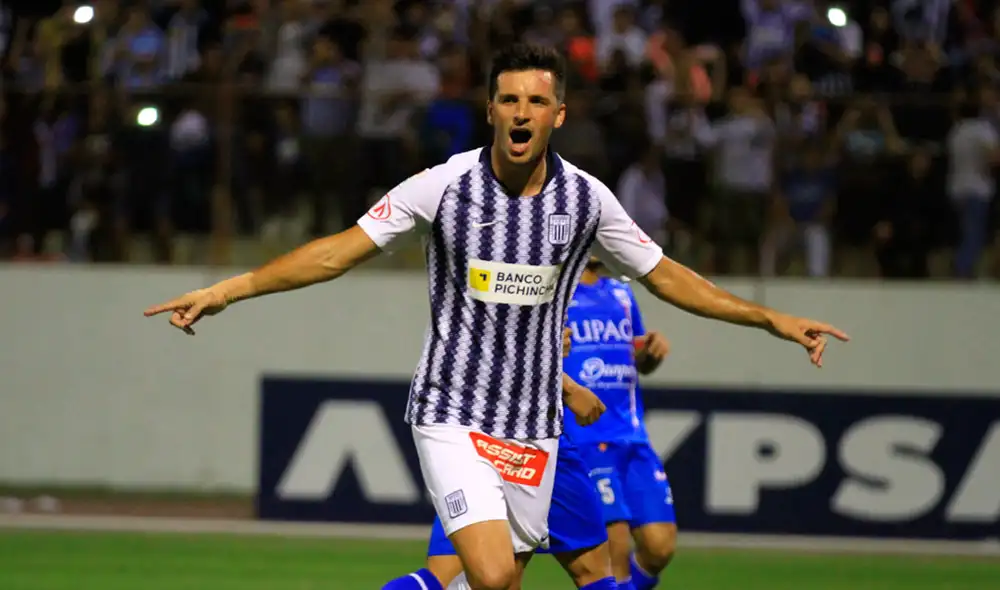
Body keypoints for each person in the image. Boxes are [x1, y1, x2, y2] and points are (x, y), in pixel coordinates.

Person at [144, 44, 849, 590]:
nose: (520, 112)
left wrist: (770, 319)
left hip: (537, 428)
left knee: (506, 579)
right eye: (508, 99)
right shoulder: (442, 186)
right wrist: (229, 289)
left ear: (558, 114)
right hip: (452, 412)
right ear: (489, 110)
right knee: (486, 572)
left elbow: (667, 277)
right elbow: (336, 253)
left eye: (535, 101)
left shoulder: (588, 202)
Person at [406, 333, 619, 590]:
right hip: (477, 432)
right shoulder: (476, 303)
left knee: (591, 572)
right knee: (474, 577)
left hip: (542, 438)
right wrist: (565, 381)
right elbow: (496, 341)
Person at [564, 259, 673, 590]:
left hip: (631, 435)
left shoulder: (621, 294)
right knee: (615, 543)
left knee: (659, 548)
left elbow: (637, 359)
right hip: (586, 434)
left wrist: (649, 353)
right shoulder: (558, 292)